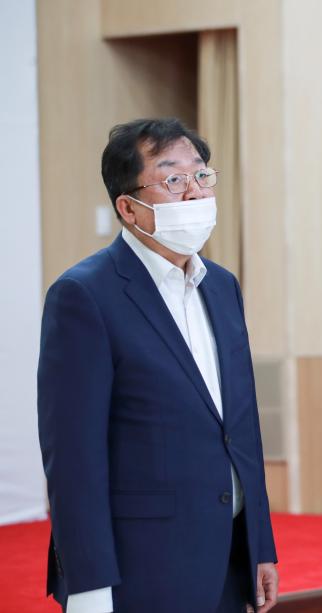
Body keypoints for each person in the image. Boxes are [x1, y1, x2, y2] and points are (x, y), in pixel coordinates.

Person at [37, 118, 278, 613]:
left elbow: (240, 425)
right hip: (142, 566)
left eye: (201, 176)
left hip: (228, 557)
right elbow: (74, 456)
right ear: (128, 207)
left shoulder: (221, 286)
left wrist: (260, 545)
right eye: (173, 180)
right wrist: (88, 585)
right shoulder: (85, 295)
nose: (194, 193)